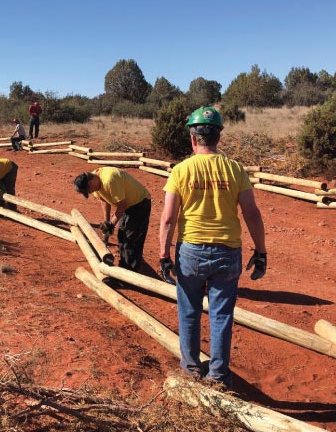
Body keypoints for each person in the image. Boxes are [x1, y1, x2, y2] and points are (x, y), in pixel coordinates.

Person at [158, 106, 267, 389]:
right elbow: (251, 213)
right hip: (227, 252)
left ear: (192, 139)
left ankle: (191, 370)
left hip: (191, 251)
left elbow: (168, 217)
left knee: (189, 311)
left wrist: (163, 255)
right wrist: (261, 251)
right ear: (218, 137)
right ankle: (218, 376)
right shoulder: (235, 169)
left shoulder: (181, 171)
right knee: (221, 315)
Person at [73, 166, 151, 272]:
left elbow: (121, 206)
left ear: (90, 183)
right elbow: (103, 199)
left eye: (88, 190)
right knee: (122, 235)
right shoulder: (94, 180)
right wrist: (107, 221)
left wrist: (112, 224)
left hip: (139, 204)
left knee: (131, 238)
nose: (90, 193)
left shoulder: (109, 180)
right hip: (128, 205)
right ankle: (125, 265)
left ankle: (130, 273)